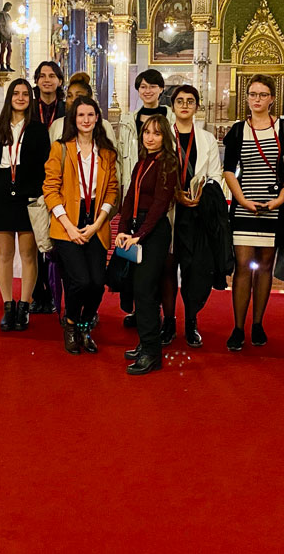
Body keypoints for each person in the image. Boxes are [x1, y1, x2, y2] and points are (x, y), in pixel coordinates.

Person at [221, 74, 284, 351]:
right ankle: (238, 327)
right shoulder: (238, 130)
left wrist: (281, 199)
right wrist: (241, 200)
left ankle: (257, 324)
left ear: (272, 99)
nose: (257, 99)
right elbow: (228, 170)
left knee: (265, 266)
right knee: (243, 265)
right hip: (245, 206)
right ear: (246, 98)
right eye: (253, 94)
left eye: (263, 94)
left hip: (273, 207)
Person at [44, 95, 119, 354]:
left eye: (90, 115)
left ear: (97, 118)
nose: (86, 120)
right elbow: (50, 189)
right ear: (73, 119)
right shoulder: (61, 148)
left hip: (95, 222)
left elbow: (112, 190)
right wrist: (68, 226)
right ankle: (71, 324)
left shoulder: (106, 152)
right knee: (80, 281)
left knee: (97, 283)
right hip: (67, 223)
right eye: (80, 115)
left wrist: (98, 223)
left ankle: (85, 325)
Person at [0, 79, 50, 331]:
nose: (20, 97)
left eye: (25, 94)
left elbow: (45, 163)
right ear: (9, 97)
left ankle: (24, 306)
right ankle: (8, 306)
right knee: (4, 255)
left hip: (28, 194)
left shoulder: (37, 129)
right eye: (16, 93)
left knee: (28, 254)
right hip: (2, 194)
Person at [161, 84, 223, 348]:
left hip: (197, 213)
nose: (185, 105)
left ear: (197, 106)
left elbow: (216, 175)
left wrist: (200, 193)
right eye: (180, 101)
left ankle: (191, 322)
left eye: (190, 101)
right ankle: (168, 322)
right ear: (173, 106)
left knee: (193, 270)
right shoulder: (163, 135)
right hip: (168, 212)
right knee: (167, 269)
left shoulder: (207, 138)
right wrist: (175, 194)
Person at [117, 115, 179, 375]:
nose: (150, 138)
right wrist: (122, 230)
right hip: (136, 229)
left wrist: (139, 235)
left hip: (154, 232)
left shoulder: (168, 163)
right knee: (140, 290)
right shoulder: (142, 161)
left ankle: (152, 354)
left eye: (156, 133)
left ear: (165, 137)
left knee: (145, 290)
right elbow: (129, 197)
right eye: (146, 132)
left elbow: (160, 205)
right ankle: (145, 343)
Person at [115, 68, 174, 327]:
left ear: (161, 89)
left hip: (157, 212)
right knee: (136, 274)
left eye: (152, 86)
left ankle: (158, 321)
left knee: (154, 273)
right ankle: (141, 316)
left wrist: (140, 233)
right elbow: (123, 158)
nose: (147, 90)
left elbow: (161, 202)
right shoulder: (129, 120)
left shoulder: (170, 121)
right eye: (142, 86)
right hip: (137, 195)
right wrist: (124, 225)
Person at [30, 60, 66, 315]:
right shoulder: (29, 108)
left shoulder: (68, 110)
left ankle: (55, 293)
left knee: (56, 242)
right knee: (34, 242)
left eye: (52, 76)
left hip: (60, 181)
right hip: (33, 180)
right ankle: (37, 294)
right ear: (36, 81)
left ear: (59, 81)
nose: (47, 80)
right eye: (42, 76)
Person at [0, 2, 14, 72]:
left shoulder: (8, 15)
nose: (9, 9)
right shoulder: (1, 14)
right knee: (3, 50)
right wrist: (4, 33)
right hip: (4, 35)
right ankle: (2, 65)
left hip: (8, 35)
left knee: (10, 50)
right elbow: (0, 25)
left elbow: (10, 25)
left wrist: (12, 32)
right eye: (9, 7)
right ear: (6, 6)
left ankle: (8, 65)